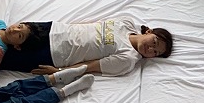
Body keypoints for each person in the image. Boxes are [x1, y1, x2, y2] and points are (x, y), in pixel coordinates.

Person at [24, 18, 173, 77]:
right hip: (54, 29)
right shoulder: (126, 23)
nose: (151, 49)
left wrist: (58, 71)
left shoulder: (127, 59)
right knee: (10, 32)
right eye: (155, 42)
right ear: (149, 31)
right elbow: (92, 25)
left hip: (53, 53)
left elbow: (90, 67)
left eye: (155, 52)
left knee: (8, 55)